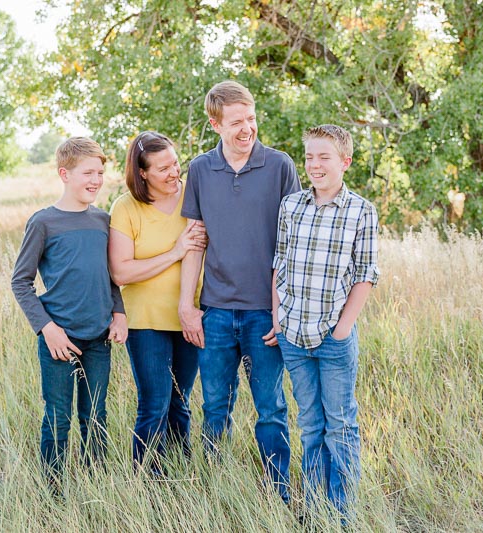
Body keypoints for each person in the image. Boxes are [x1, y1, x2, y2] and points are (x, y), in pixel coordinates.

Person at [178, 80, 301, 502]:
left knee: (271, 410)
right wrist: (187, 306)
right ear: (215, 124)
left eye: (250, 118)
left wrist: (282, 307)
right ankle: (216, 494)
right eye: (236, 122)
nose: (247, 128)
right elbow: (195, 242)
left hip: (265, 314)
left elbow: (292, 245)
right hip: (214, 312)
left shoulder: (280, 165)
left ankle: (278, 494)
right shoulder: (199, 170)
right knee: (214, 409)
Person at [271, 125, 380, 517]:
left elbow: (366, 273)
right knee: (311, 425)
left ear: (345, 162)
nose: (315, 165)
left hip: (334, 337)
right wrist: (277, 318)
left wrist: (343, 328)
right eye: (310, 157)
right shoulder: (291, 206)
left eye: (325, 157)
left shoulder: (361, 211)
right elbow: (279, 264)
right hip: (294, 335)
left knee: (340, 425)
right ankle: (315, 512)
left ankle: (341, 514)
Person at [11, 136, 127, 486]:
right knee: (58, 417)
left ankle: (96, 485)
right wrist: (47, 328)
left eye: (101, 173)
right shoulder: (44, 222)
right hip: (59, 338)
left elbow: (110, 275)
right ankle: (54, 491)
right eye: (88, 173)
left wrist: (118, 313)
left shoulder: (103, 221)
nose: (96, 180)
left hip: (98, 337)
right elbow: (20, 282)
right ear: (65, 173)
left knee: (95, 415)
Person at [108, 131, 207, 473]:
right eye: (163, 168)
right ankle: (148, 480)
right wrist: (176, 252)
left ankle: (181, 470)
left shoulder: (192, 196)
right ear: (143, 173)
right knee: (154, 403)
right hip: (146, 321)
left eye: (175, 164)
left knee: (181, 401)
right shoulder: (126, 207)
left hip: (191, 315)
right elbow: (121, 272)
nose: (173, 173)